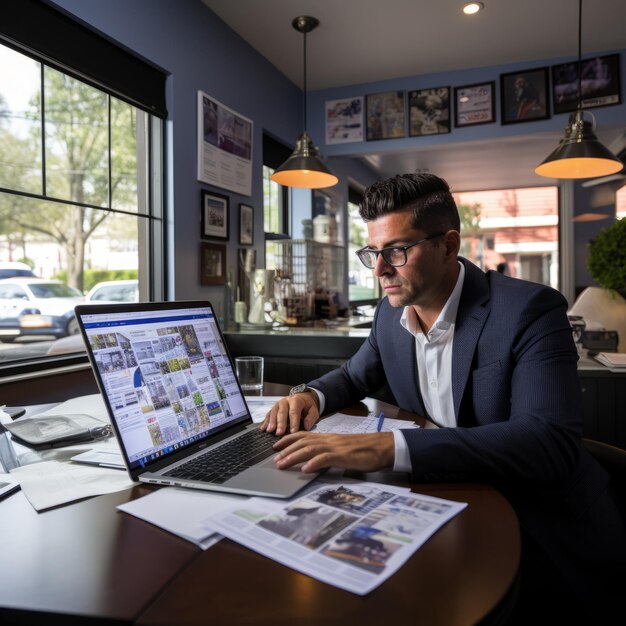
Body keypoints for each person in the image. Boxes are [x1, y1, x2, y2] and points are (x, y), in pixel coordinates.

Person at [262, 173, 625, 625]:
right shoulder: (389, 314)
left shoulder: (530, 310)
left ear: (449, 245)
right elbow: (354, 375)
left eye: (397, 251)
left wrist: (384, 449)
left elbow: (546, 441)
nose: (379, 271)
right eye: (373, 253)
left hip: (543, 525)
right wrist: (310, 394)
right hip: (452, 504)